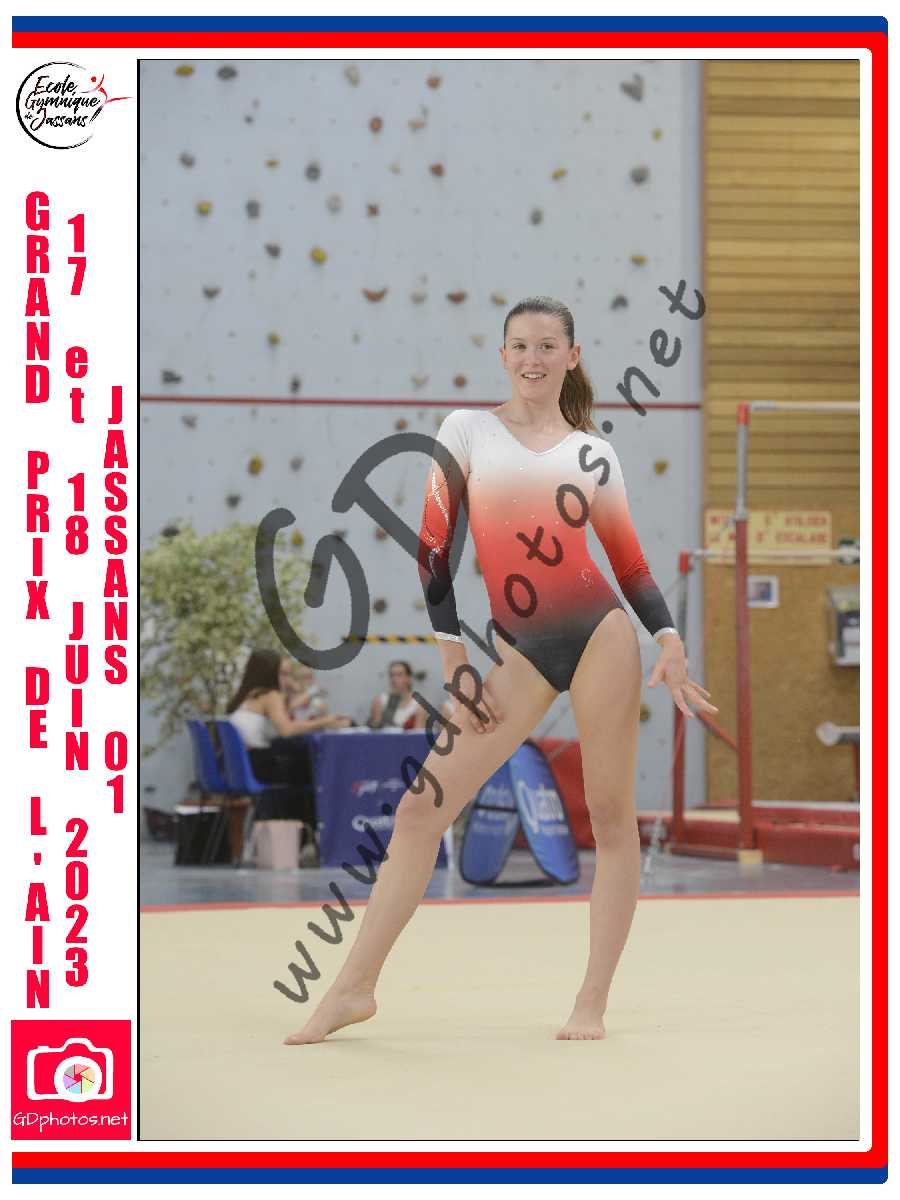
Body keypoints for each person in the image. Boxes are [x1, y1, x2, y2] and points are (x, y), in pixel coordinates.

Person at [285, 295, 717, 1046]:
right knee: (421, 811)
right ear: (502, 355)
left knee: (611, 819)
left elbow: (628, 563)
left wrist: (669, 639)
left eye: (548, 346)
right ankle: (354, 988)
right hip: (520, 650)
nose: (532, 358)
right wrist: (453, 657)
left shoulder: (593, 452)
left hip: (600, 634)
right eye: (520, 345)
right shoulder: (467, 430)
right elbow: (433, 550)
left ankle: (591, 1000)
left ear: (572, 357)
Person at [225, 649, 352, 825]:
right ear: (270, 672)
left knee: (304, 760)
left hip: (243, 766)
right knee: (321, 768)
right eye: (283, 674)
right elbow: (286, 730)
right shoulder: (270, 694)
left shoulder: (247, 695)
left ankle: (307, 830)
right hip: (260, 767)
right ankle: (323, 827)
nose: (287, 680)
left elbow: (279, 723)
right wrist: (325, 722)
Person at [368, 660, 427, 730]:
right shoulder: (380, 701)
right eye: (391, 675)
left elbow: (418, 733)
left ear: (409, 678)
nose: (394, 679)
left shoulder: (419, 704)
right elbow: (375, 731)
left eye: (399, 675)